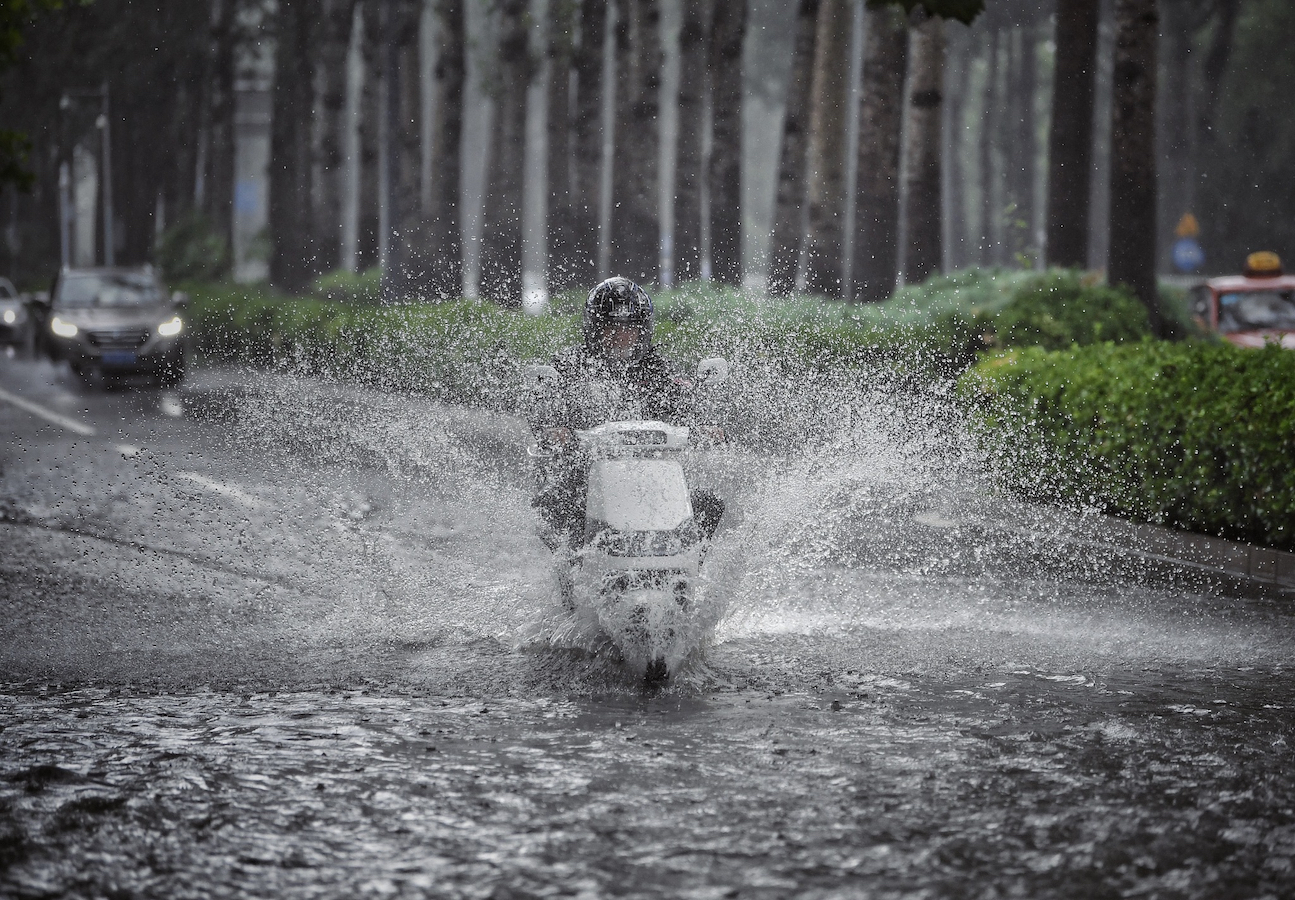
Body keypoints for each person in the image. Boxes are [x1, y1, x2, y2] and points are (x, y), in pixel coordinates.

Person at [528, 276, 724, 547]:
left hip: (653, 477)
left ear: (643, 329)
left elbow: (685, 398)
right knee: (553, 501)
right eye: (611, 327)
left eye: (630, 328)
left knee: (708, 503)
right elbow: (542, 402)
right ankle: (569, 570)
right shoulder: (569, 366)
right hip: (584, 476)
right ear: (594, 328)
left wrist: (705, 426)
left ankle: (693, 565)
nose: (621, 336)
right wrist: (553, 429)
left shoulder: (658, 368)